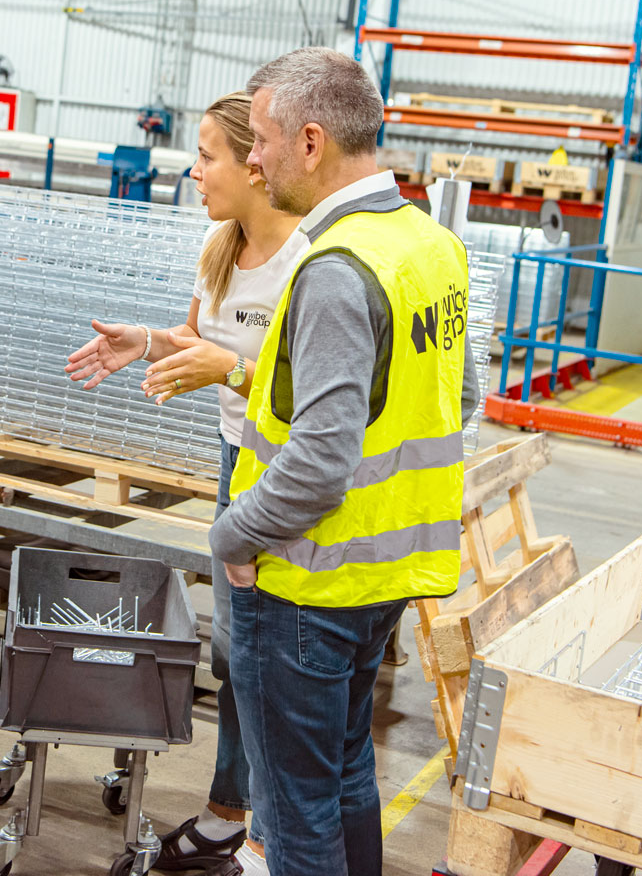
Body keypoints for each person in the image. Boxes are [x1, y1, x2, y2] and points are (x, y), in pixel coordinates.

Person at [206, 48, 478, 876]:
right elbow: (459, 397)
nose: (253, 159)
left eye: (260, 140)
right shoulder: (429, 245)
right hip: (384, 576)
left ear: (311, 142)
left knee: (295, 815)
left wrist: (233, 535)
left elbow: (319, 462)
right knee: (347, 774)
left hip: (306, 586)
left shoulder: (335, 269)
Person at [65, 91, 306, 872]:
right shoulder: (219, 244)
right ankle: (231, 811)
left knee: (276, 661)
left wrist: (230, 371)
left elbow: (317, 396)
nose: (193, 171)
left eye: (207, 155)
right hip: (238, 461)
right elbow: (199, 341)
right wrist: (146, 342)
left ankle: (270, 839)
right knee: (235, 655)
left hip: (296, 477)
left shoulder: (311, 259)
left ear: (257, 163)